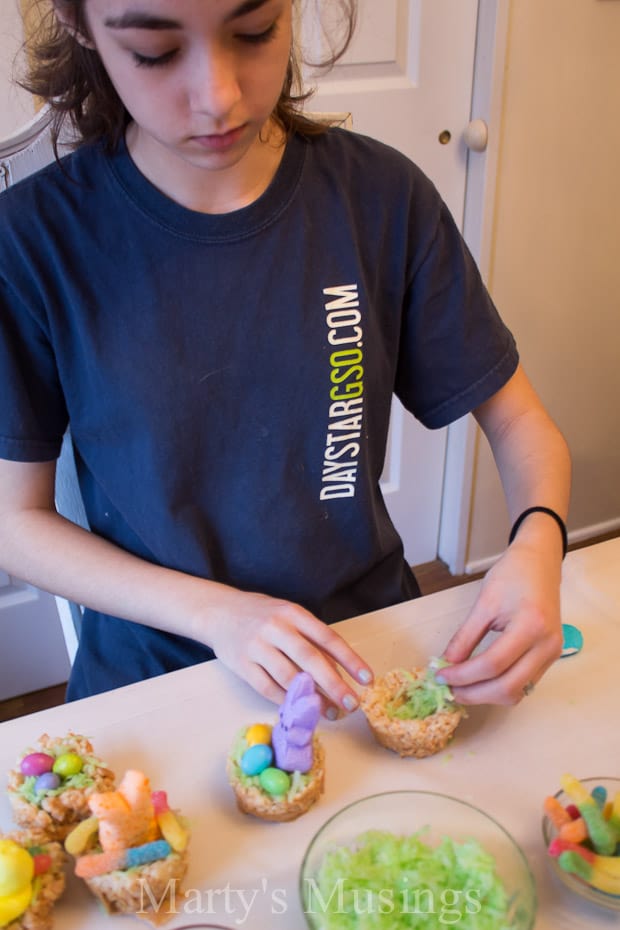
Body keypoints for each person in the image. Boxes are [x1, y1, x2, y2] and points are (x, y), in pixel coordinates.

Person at [0, 0, 570, 717]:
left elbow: (521, 425)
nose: (219, 96)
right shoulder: (32, 241)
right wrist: (220, 615)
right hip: (160, 681)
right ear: (80, 24)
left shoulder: (381, 198)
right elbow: (12, 521)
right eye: (154, 51)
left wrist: (537, 545)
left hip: (365, 654)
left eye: (253, 32)